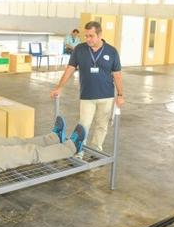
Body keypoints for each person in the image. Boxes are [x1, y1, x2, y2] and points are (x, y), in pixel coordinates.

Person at [50, 21, 124, 154]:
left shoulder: (111, 52)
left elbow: (117, 75)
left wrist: (120, 95)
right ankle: (80, 151)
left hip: (106, 96)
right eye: (86, 36)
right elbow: (70, 69)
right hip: (87, 96)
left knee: (102, 126)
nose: (88, 39)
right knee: (83, 125)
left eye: (91, 36)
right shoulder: (79, 49)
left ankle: (96, 150)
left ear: (99, 35)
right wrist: (59, 87)